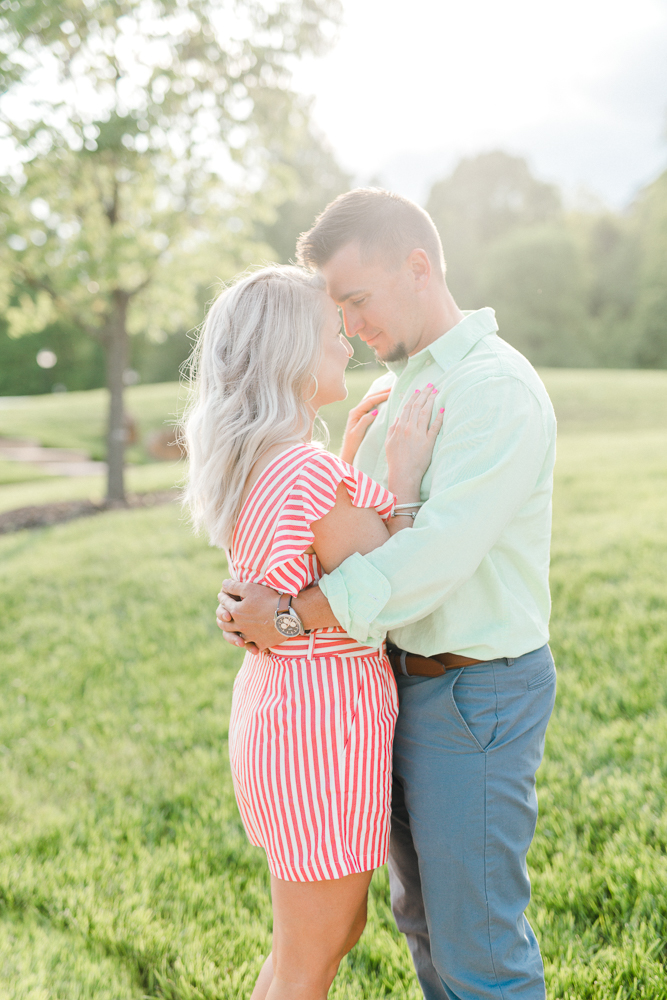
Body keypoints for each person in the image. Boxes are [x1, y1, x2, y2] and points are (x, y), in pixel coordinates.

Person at [216, 190, 558, 1000]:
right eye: (336, 310)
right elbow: (349, 528)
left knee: (478, 949)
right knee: (427, 929)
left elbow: (429, 560)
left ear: (418, 266)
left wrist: (289, 615)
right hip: (403, 684)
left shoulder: (490, 389)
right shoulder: (407, 384)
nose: (347, 327)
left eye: (355, 301)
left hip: (472, 688)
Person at [182, 264, 444, 1000]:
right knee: (312, 952)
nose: (347, 344)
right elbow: (385, 584)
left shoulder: (274, 463)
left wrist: (351, 467)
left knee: (314, 943)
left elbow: (309, 559)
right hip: (317, 730)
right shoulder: (303, 470)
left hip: (287, 712)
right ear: (292, 351)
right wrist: (404, 474)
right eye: (332, 332)